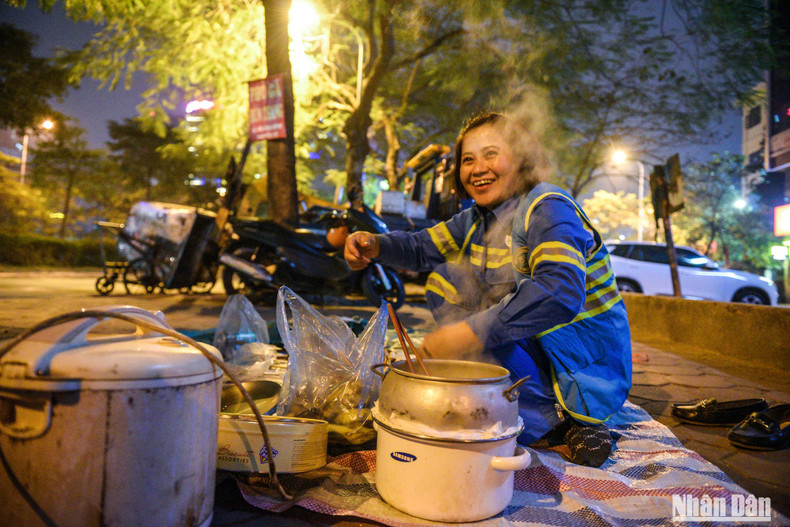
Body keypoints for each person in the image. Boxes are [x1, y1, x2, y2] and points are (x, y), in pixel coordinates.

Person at [344, 111, 631, 467]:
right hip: (534, 344)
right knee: (446, 280)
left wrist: (468, 333)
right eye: (468, 159)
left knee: (478, 332)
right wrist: (375, 244)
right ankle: (506, 397)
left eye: (491, 154)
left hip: (580, 360)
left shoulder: (548, 207)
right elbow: (421, 247)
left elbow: (559, 291)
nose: (478, 168)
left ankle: (566, 418)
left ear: (522, 157)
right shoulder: (477, 219)